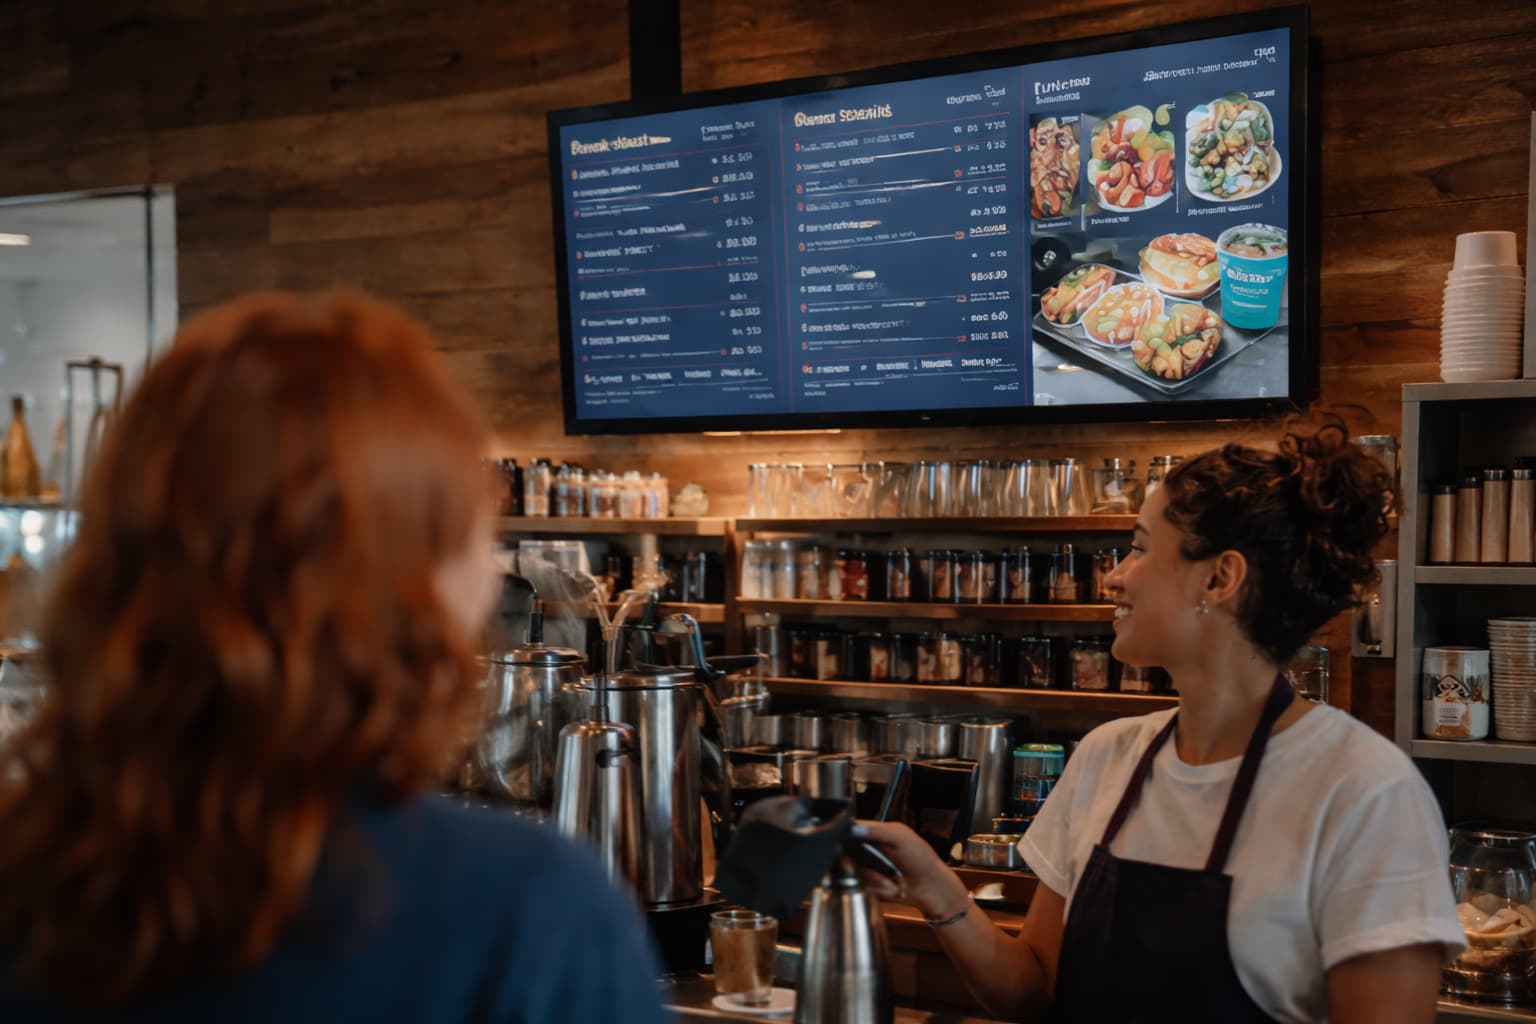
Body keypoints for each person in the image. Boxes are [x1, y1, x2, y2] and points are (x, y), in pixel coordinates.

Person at [0, 293, 674, 1023]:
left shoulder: (30, 877)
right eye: (473, 534)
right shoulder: (531, 916)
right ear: (415, 585)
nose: (490, 574)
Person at [863, 421, 1465, 1023]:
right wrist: (935, 885)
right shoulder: (1108, 755)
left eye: (1141, 547)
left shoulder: (1366, 791)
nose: (1114, 575)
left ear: (1219, 578)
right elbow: (1034, 991)